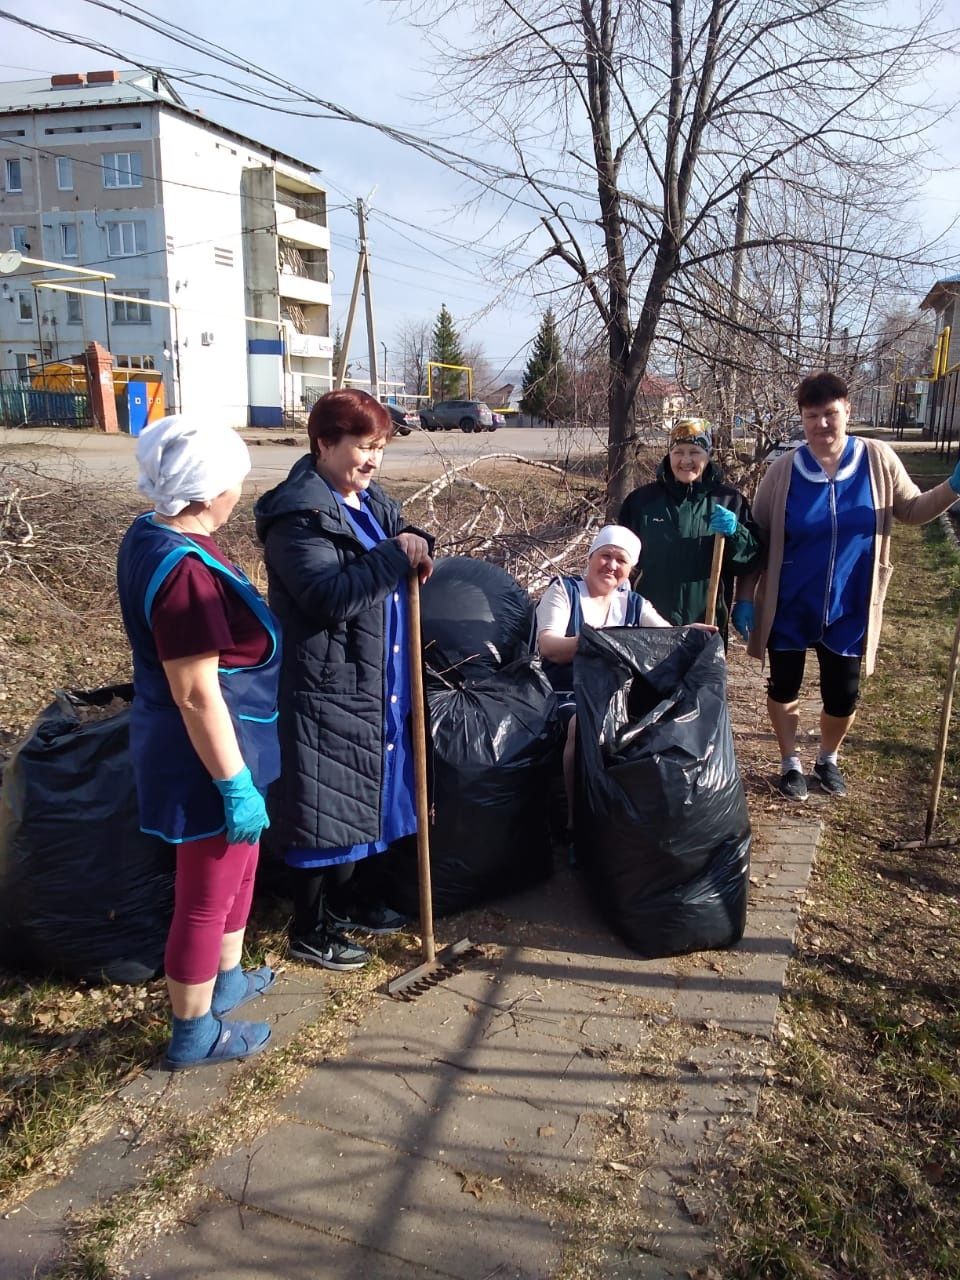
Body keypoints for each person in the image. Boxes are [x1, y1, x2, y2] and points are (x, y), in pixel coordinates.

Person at [117, 415, 281, 1071]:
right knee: (204, 897)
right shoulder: (183, 574)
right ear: (210, 488)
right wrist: (233, 783)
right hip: (204, 753)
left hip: (237, 736)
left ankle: (227, 979)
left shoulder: (154, 530)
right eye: (235, 480)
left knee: (239, 870)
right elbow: (194, 692)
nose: (239, 490)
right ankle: (192, 1033)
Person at [254, 389, 434, 971]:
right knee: (321, 806)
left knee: (366, 795)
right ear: (325, 443)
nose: (373, 460)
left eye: (379, 448)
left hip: (374, 676)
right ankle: (310, 926)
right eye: (363, 447)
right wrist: (395, 556)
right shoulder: (297, 514)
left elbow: (404, 531)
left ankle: (349, 902)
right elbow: (327, 597)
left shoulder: (364, 499)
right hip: (325, 681)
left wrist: (420, 543)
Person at [748, 371, 960, 800]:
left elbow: (913, 510)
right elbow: (756, 538)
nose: (822, 424)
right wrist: (744, 598)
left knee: (843, 695)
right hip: (790, 602)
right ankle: (789, 761)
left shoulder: (877, 459)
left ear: (848, 411)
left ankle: (827, 757)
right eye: (812, 416)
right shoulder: (782, 471)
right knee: (783, 686)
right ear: (802, 419)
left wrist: (952, 488)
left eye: (830, 413)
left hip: (851, 603)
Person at [535, 525, 716, 827]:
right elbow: (549, 647)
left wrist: (691, 633)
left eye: (622, 561)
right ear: (591, 557)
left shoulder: (633, 604)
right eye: (605, 556)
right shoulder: (564, 592)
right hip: (565, 692)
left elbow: (666, 636)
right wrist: (597, 641)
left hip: (616, 695)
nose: (612, 566)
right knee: (585, 724)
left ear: (630, 570)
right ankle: (576, 819)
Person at [618, 418, 760, 642]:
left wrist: (736, 533)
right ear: (669, 455)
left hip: (707, 624)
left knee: (701, 678)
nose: (686, 460)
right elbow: (620, 559)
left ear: (708, 454)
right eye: (678, 452)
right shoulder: (641, 502)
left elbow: (749, 561)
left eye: (694, 452)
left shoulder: (729, 501)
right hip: (649, 625)